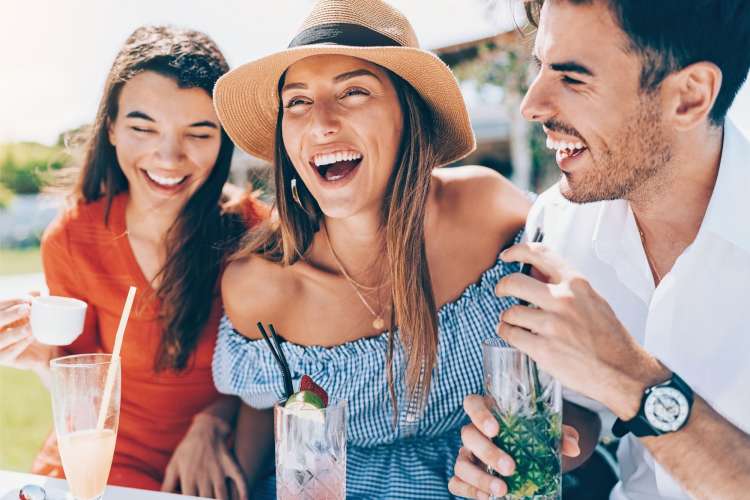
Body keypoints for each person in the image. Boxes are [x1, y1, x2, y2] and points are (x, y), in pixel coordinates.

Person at [209, 0, 600, 498]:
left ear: (406, 113)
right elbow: (268, 422)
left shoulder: (491, 211)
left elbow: (579, 406)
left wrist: (551, 452)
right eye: (298, 102)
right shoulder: (259, 286)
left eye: (353, 91)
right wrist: (210, 436)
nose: (321, 123)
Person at [450, 0, 750, 498]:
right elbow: (586, 411)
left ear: (690, 97)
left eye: (572, 78)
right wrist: (539, 441)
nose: (532, 104)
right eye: (541, 67)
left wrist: (632, 377)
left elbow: (621, 383)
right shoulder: (559, 224)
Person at [0, 25, 267, 499]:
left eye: (200, 132)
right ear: (111, 129)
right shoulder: (72, 238)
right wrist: (45, 359)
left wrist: (212, 419)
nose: (168, 156)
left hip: (204, 473)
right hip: (96, 470)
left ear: (223, 140)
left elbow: (272, 374)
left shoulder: (254, 235)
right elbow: (84, 393)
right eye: (143, 128)